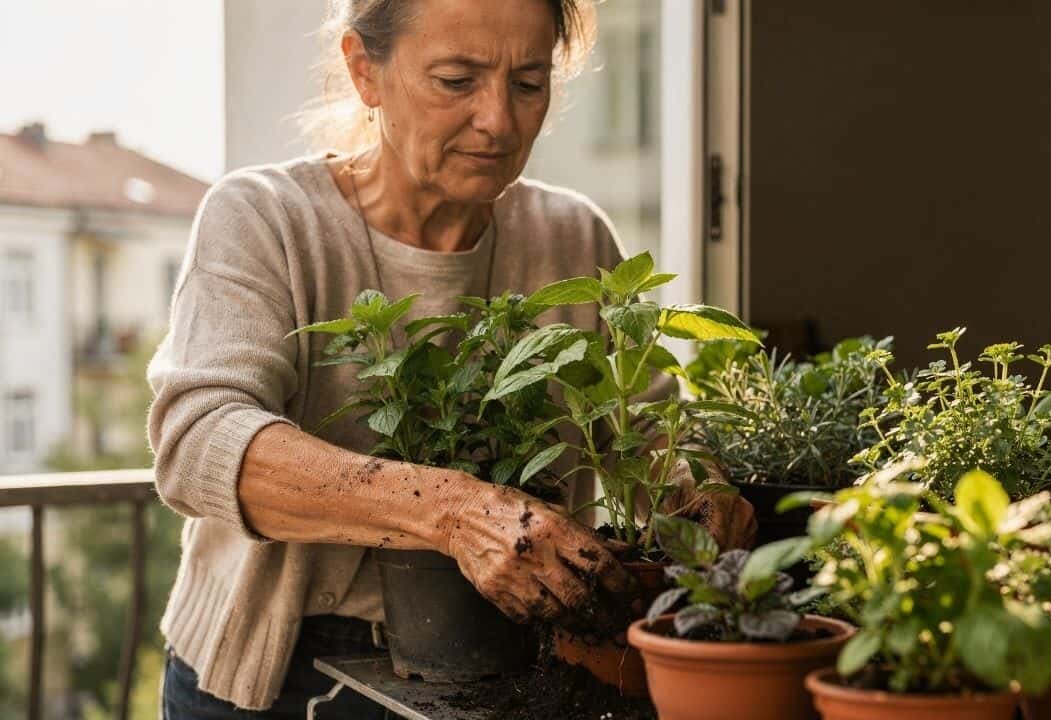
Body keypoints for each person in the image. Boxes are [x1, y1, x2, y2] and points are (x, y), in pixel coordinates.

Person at [148, 1, 754, 716]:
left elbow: (652, 438)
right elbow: (199, 443)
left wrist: (699, 492)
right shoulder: (265, 217)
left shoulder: (573, 238)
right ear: (363, 69)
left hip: (514, 661)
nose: (499, 121)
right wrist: (455, 511)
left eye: (528, 84)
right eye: (458, 79)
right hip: (271, 674)